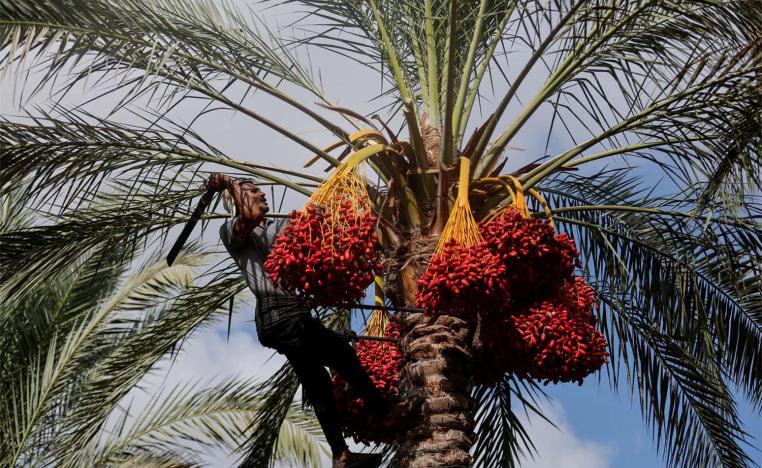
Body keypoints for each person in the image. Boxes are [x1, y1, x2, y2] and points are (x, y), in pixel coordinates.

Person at [206, 174, 419, 468]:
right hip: (277, 315)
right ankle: (384, 412)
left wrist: (319, 223)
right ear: (237, 198)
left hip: (294, 317)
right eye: (253, 191)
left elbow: (310, 242)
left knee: (318, 382)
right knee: (341, 353)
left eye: (259, 190)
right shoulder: (231, 231)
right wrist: (229, 182)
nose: (262, 195)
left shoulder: (279, 225)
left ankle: (340, 455)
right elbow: (250, 215)